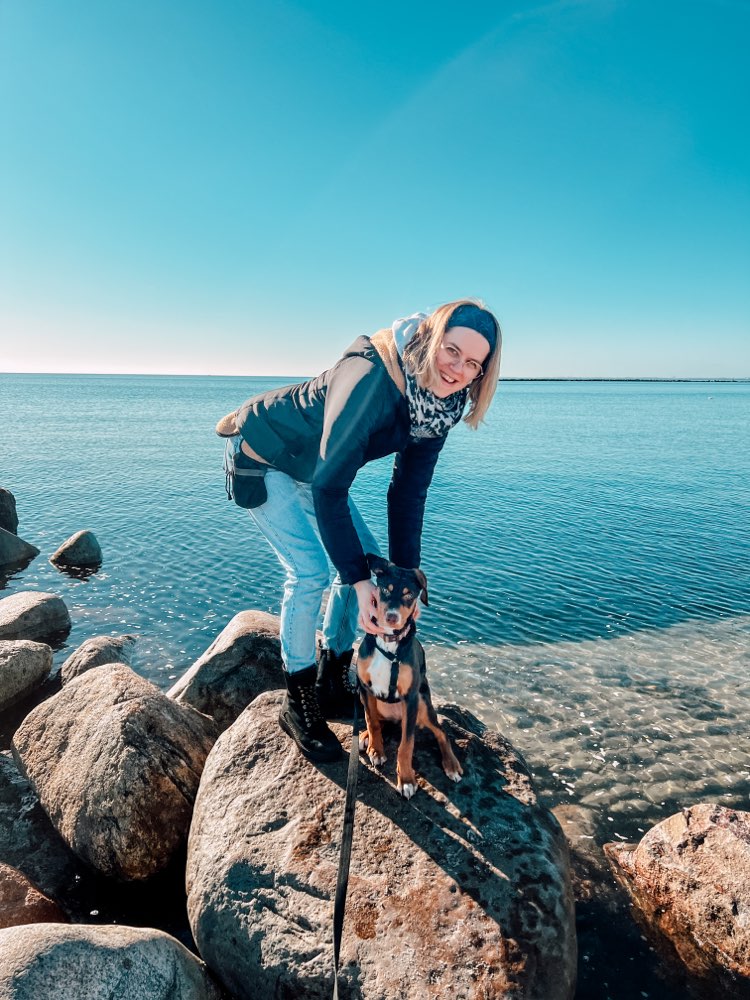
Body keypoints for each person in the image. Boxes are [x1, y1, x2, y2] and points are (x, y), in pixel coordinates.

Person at [217, 299, 502, 763]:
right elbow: (331, 488)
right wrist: (357, 579)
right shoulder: (371, 376)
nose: (458, 369)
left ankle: (332, 677)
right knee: (310, 571)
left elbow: (408, 494)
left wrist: (406, 578)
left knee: (366, 564)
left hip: (314, 469)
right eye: (452, 351)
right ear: (431, 339)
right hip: (264, 454)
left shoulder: (439, 408)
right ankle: (299, 703)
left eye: (473, 363)